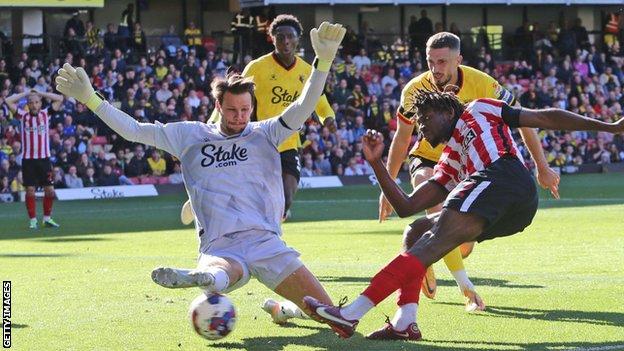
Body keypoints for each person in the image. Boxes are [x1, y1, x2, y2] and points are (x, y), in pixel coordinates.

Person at [55, 21, 346, 327]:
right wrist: (91, 99)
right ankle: (206, 276)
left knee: (336, 320)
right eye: (233, 110)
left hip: (267, 243)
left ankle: (282, 309)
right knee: (222, 270)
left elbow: (305, 104)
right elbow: (134, 131)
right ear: (218, 105)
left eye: (246, 110)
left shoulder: (266, 132)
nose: (240, 117)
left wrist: (322, 63)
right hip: (220, 245)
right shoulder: (190, 135)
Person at [304, 91, 624, 340]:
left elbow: (542, 118)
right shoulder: (449, 159)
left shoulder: (478, 109)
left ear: (447, 111)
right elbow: (406, 205)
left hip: (503, 177)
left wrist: (607, 127)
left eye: (426, 117)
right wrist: (376, 164)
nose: (422, 126)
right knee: (417, 231)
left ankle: (351, 313)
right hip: (507, 206)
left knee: (431, 239)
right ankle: (405, 321)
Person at [378, 32, 561, 313]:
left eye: (442, 62)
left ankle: (429, 255)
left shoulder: (483, 84)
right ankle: (466, 288)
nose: (435, 69)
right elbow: (402, 139)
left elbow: (524, 120)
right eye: (430, 62)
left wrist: (542, 166)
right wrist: (387, 186)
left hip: (469, 168)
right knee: (432, 203)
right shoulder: (414, 89)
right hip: (429, 160)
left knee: (462, 243)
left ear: (458, 60)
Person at [206, 14, 336, 220]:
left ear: (298, 39)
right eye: (280, 36)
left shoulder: (306, 70)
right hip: (258, 138)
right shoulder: (257, 68)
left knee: (287, 195)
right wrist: (213, 122)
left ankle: (274, 221)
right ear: (272, 38)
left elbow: (319, 100)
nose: (285, 41)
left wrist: (327, 117)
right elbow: (232, 95)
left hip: (288, 140)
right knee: (248, 193)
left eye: (290, 37)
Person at [5, 89, 63, 229]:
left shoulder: (46, 114)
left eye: (37, 102)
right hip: (28, 160)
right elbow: (8, 101)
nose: (34, 105)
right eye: (31, 103)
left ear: (40, 103)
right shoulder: (22, 115)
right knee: (30, 190)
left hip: (44, 160)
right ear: (28, 104)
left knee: (49, 190)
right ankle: (32, 220)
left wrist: (40, 93)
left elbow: (60, 98)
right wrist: (26, 93)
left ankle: (47, 219)